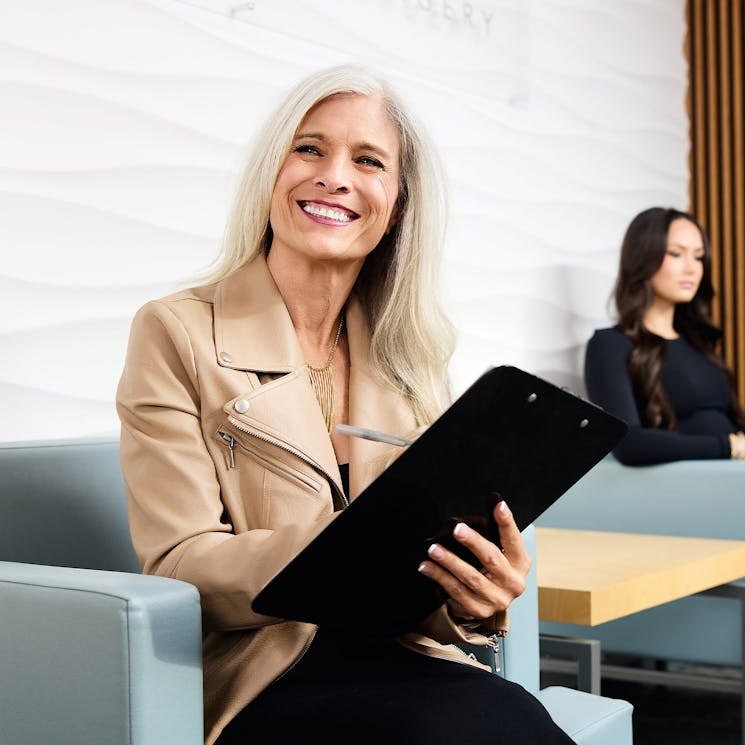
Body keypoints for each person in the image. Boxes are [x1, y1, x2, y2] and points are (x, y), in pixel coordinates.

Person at [116, 66, 574, 745]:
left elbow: (419, 579)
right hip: (263, 674)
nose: (334, 176)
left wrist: (473, 599)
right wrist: (344, 546)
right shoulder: (176, 330)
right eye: (310, 148)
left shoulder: (410, 355)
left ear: (397, 202)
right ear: (273, 170)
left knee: (516, 719)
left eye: (368, 160)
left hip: (402, 657)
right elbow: (179, 565)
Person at [584, 206, 745, 569]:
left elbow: (738, 424)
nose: (692, 268)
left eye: (698, 257)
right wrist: (730, 448)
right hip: (727, 494)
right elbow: (627, 442)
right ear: (643, 257)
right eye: (676, 254)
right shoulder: (610, 345)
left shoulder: (697, 342)